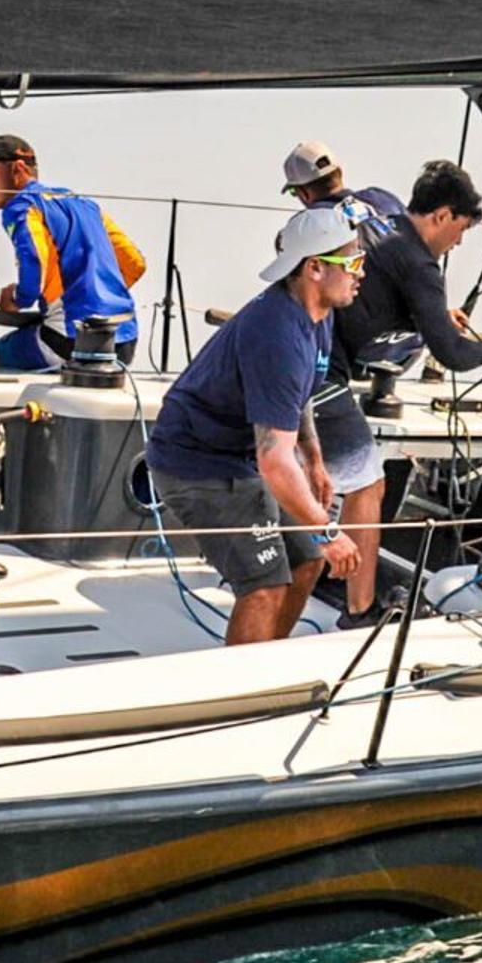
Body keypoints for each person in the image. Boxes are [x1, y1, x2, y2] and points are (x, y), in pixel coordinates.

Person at [144, 203, 369, 645]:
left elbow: (296, 395)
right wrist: (329, 531)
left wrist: (315, 460)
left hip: (241, 459)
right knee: (265, 584)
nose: (362, 273)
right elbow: (273, 460)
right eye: (354, 263)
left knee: (307, 562)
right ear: (315, 269)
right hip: (197, 465)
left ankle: (266, 660)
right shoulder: (278, 333)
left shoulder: (319, 315)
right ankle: (237, 691)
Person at [273, 140, 410, 623]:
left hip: (324, 367)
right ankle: (325, 573)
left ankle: (359, 609)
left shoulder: (303, 230)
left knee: (362, 482)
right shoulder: (387, 202)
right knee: (350, 479)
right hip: (386, 350)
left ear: (302, 193)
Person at [331, 158, 482, 391]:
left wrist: (438, 316)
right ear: (442, 216)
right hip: (325, 367)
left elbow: (376, 296)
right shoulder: (420, 266)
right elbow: (452, 354)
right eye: (462, 229)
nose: (459, 241)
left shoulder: (378, 224)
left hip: (297, 341)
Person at [0, 133, 141, 371]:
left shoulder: (22, 206)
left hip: (70, 341)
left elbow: (35, 261)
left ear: (18, 169)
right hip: (125, 342)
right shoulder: (83, 203)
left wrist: (16, 299)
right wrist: (95, 294)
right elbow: (135, 263)